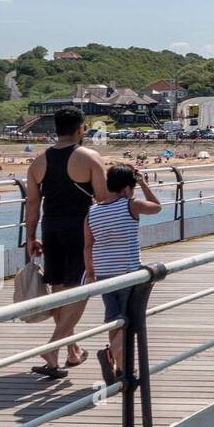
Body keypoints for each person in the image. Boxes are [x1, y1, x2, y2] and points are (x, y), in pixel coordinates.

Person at [23, 107, 110, 379]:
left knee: (61, 289)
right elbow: (104, 199)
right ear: (80, 129)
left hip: (51, 228)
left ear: (55, 129)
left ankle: (71, 351)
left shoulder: (37, 163)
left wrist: (30, 238)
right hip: (80, 228)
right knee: (80, 288)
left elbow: (33, 206)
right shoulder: (89, 157)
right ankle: (53, 347)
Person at [84, 164, 161, 386]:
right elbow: (157, 207)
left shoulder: (93, 211)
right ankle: (111, 355)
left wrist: (90, 273)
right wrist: (144, 183)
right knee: (132, 320)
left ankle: (122, 369)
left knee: (114, 320)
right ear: (128, 187)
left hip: (104, 274)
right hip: (128, 273)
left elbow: (88, 245)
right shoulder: (131, 205)